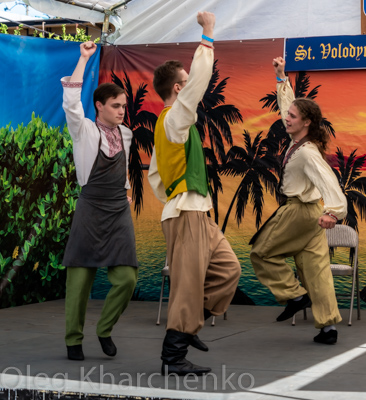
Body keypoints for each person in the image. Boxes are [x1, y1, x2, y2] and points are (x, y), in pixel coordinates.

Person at [148, 11, 241, 376]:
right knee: (187, 286)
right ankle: (173, 356)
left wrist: (174, 196)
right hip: (187, 214)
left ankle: (189, 327)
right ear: (177, 89)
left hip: (194, 212)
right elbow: (199, 84)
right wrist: (207, 34)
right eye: (185, 83)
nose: (190, 87)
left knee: (228, 270)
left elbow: (157, 175)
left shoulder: (170, 128)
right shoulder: (173, 120)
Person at [250, 56, 348, 345]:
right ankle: (328, 328)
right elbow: (286, 106)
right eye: (288, 114)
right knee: (316, 271)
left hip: (299, 212)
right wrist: (281, 78)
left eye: (292, 116)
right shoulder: (300, 139)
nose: (286, 118)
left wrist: (334, 212)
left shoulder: (306, 152)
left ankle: (294, 295)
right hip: (312, 216)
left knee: (261, 253)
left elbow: (330, 183)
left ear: (306, 122)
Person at [61, 41, 138, 361]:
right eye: (116, 106)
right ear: (99, 106)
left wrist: (128, 190)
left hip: (118, 208)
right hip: (91, 207)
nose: (122, 111)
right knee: (79, 280)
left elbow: (123, 169)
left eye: (123, 106)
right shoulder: (84, 130)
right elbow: (70, 101)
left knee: (127, 278)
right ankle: (73, 339)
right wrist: (83, 58)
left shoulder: (128, 135)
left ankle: (104, 329)